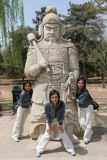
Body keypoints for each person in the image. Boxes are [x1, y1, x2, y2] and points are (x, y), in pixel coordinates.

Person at [24, 6, 80, 141]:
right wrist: (39, 65)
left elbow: (75, 69)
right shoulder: (35, 47)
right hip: (43, 86)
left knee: (67, 110)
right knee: (42, 111)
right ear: (42, 29)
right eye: (48, 28)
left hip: (62, 85)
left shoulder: (69, 46)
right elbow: (28, 73)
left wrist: (72, 77)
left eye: (55, 28)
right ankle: (43, 132)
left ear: (61, 28)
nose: (51, 31)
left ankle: (68, 130)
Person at [36, 90, 76, 157]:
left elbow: (62, 115)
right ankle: (39, 150)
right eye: (52, 97)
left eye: (56, 97)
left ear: (58, 97)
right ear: (50, 98)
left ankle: (71, 149)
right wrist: (50, 126)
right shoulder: (47, 105)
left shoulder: (62, 104)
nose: (54, 99)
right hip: (50, 120)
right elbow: (48, 117)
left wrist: (60, 125)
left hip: (59, 119)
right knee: (47, 133)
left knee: (63, 133)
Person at [69, 77, 94, 144]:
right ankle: (90, 132)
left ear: (84, 84)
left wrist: (73, 98)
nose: (80, 84)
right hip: (82, 108)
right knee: (82, 123)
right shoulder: (78, 91)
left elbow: (81, 102)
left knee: (88, 123)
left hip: (88, 107)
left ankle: (86, 138)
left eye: (82, 83)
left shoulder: (85, 92)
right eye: (79, 83)